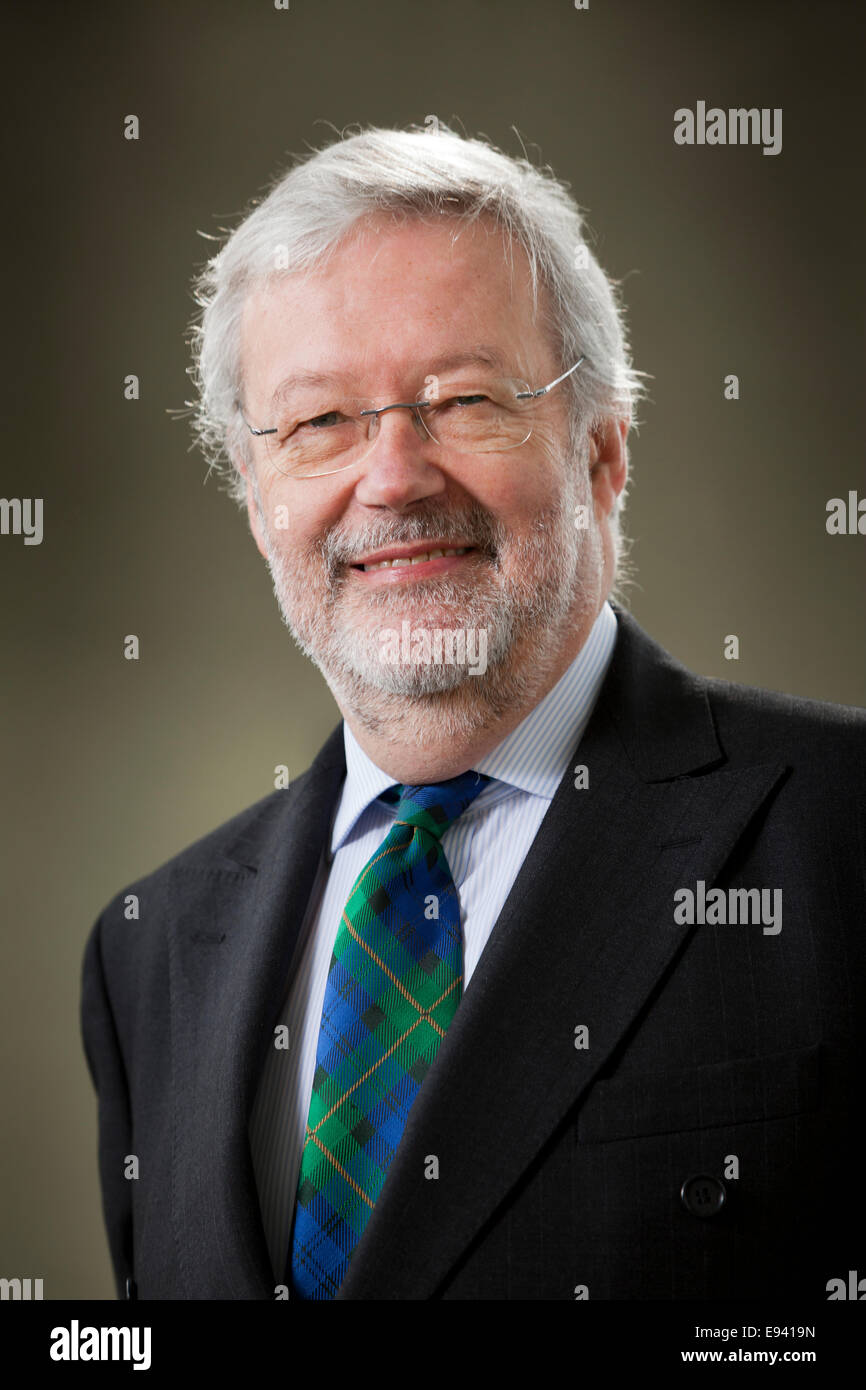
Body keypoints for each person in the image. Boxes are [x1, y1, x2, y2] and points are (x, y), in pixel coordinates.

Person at [81, 123, 865, 1301]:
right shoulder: (147, 952)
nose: (392, 476)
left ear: (602, 451)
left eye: (459, 398)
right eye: (317, 423)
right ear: (256, 499)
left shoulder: (841, 836)